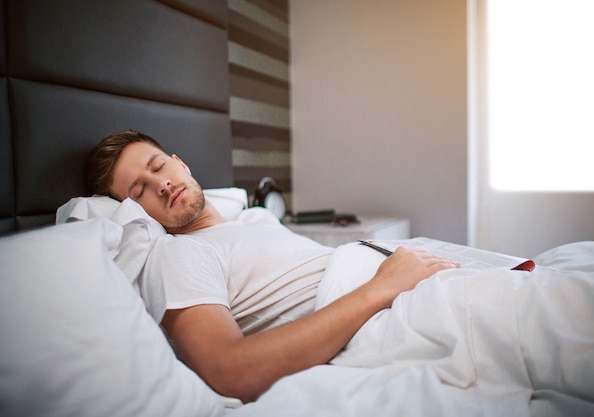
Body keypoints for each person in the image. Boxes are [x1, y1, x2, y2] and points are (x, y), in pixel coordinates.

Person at [86, 130, 460, 403]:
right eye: (139, 191)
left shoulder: (256, 220)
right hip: (389, 307)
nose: (162, 184)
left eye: (159, 166)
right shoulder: (177, 255)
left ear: (180, 163)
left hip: (412, 280)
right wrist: (379, 288)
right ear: (134, 212)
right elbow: (228, 370)